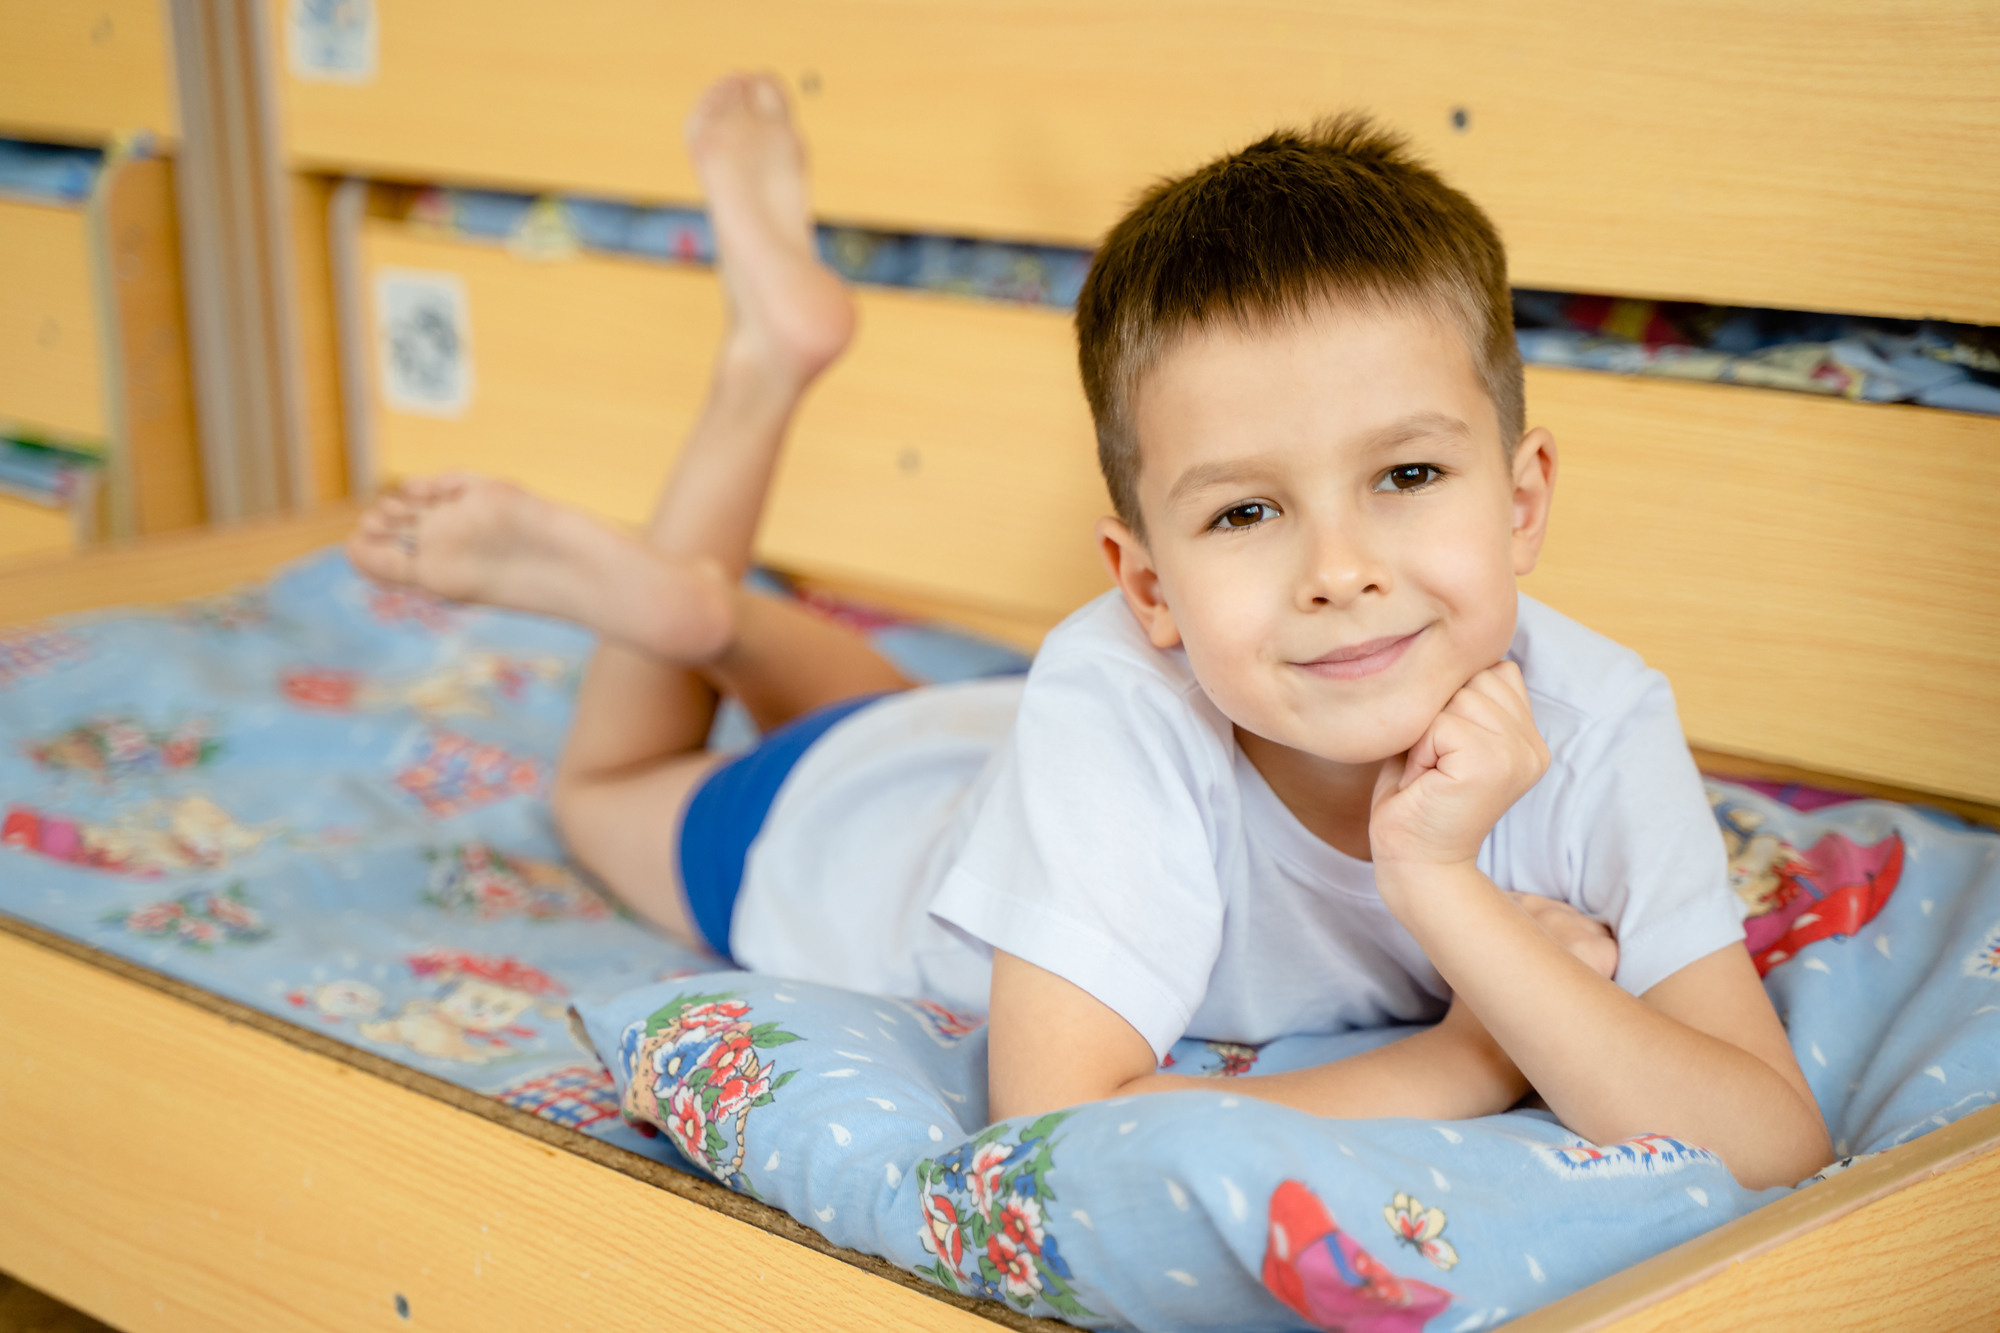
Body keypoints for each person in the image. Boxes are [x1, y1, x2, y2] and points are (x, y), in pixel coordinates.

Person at [349, 73, 1831, 1190]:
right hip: (851, 830)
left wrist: (1448, 892)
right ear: (1150, 586)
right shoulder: (1111, 696)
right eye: (1246, 511)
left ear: (1521, 500)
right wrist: (1461, 1058)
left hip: (993, 750)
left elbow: (1769, 1138)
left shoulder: (1601, 716)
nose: (1339, 572)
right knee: (602, 788)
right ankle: (713, 530)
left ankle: (722, 604)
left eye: (1406, 476)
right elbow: (1052, 1135)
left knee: (903, 715)